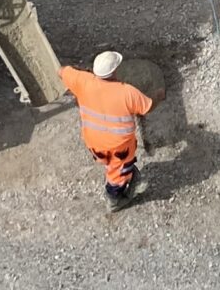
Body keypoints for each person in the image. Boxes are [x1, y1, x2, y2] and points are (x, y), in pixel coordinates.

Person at [58, 50, 154, 211]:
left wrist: (76, 72)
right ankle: (114, 199)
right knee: (117, 174)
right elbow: (148, 107)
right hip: (119, 148)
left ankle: (121, 173)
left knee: (110, 164)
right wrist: (158, 95)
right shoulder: (126, 92)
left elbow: (61, 71)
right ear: (115, 70)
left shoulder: (83, 81)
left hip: (94, 143)